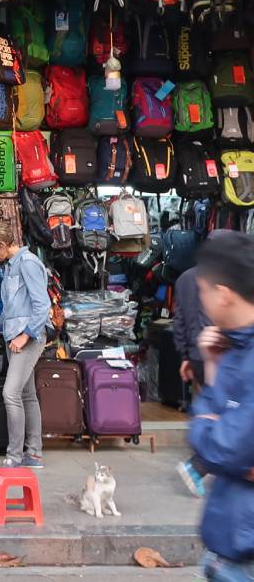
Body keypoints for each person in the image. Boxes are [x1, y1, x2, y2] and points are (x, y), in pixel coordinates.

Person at [187, 230, 254, 581]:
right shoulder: (232, 348)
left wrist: (207, 426)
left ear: (224, 295)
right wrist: (212, 365)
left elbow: (224, 448)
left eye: (202, 291)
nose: (201, 301)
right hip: (228, 544)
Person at [0, 226, 51, 469]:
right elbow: (10, 307)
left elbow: (42, 305)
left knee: (10, 393)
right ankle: (34, 454)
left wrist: (25, 336)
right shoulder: (9, 266)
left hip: (27, 338)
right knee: (26, 394)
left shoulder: (28, 263)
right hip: (13, 337)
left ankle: (15, 456)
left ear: (1, 244)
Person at [173, 265, 210, 497]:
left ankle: (200, 459)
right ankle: (198, 465)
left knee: (207, 409)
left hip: (197, 355)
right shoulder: (224, 275)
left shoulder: (185, 277)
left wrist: (185, 354)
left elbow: (179, 320)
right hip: (219, 353)